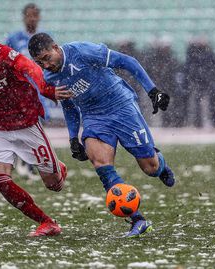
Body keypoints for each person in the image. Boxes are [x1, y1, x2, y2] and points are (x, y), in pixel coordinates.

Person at [28, 33, 175, 237]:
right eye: (39, 62)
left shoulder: (81, 51)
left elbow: (127, 61)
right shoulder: (50, 76)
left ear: (55, 47)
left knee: (149, 167)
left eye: (46, 58)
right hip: (94, 117)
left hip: (121, 105)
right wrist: (73, 137)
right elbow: (69, 105)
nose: (45, 65)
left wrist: (153, 91)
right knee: (101, 165)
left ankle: (160, 163)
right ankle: (138, 220)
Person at [0, 31, 67, 237]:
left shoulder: (5, 55)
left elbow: (32, 68)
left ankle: (57, 168)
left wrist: (46, 90)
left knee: (54, 185)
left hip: (27, 125)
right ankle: (46, 222)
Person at [6, 3, 49, 180]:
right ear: (24, 17)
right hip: (21, 91)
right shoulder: (14, 38)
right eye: (29, 15)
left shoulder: (45, 38)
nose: (32, 19)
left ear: (39, 17)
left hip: (39, 91)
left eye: (35, 15)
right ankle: (19, 161)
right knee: (20, 129)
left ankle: (30, 165)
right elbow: (5, 61)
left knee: (38, 130)